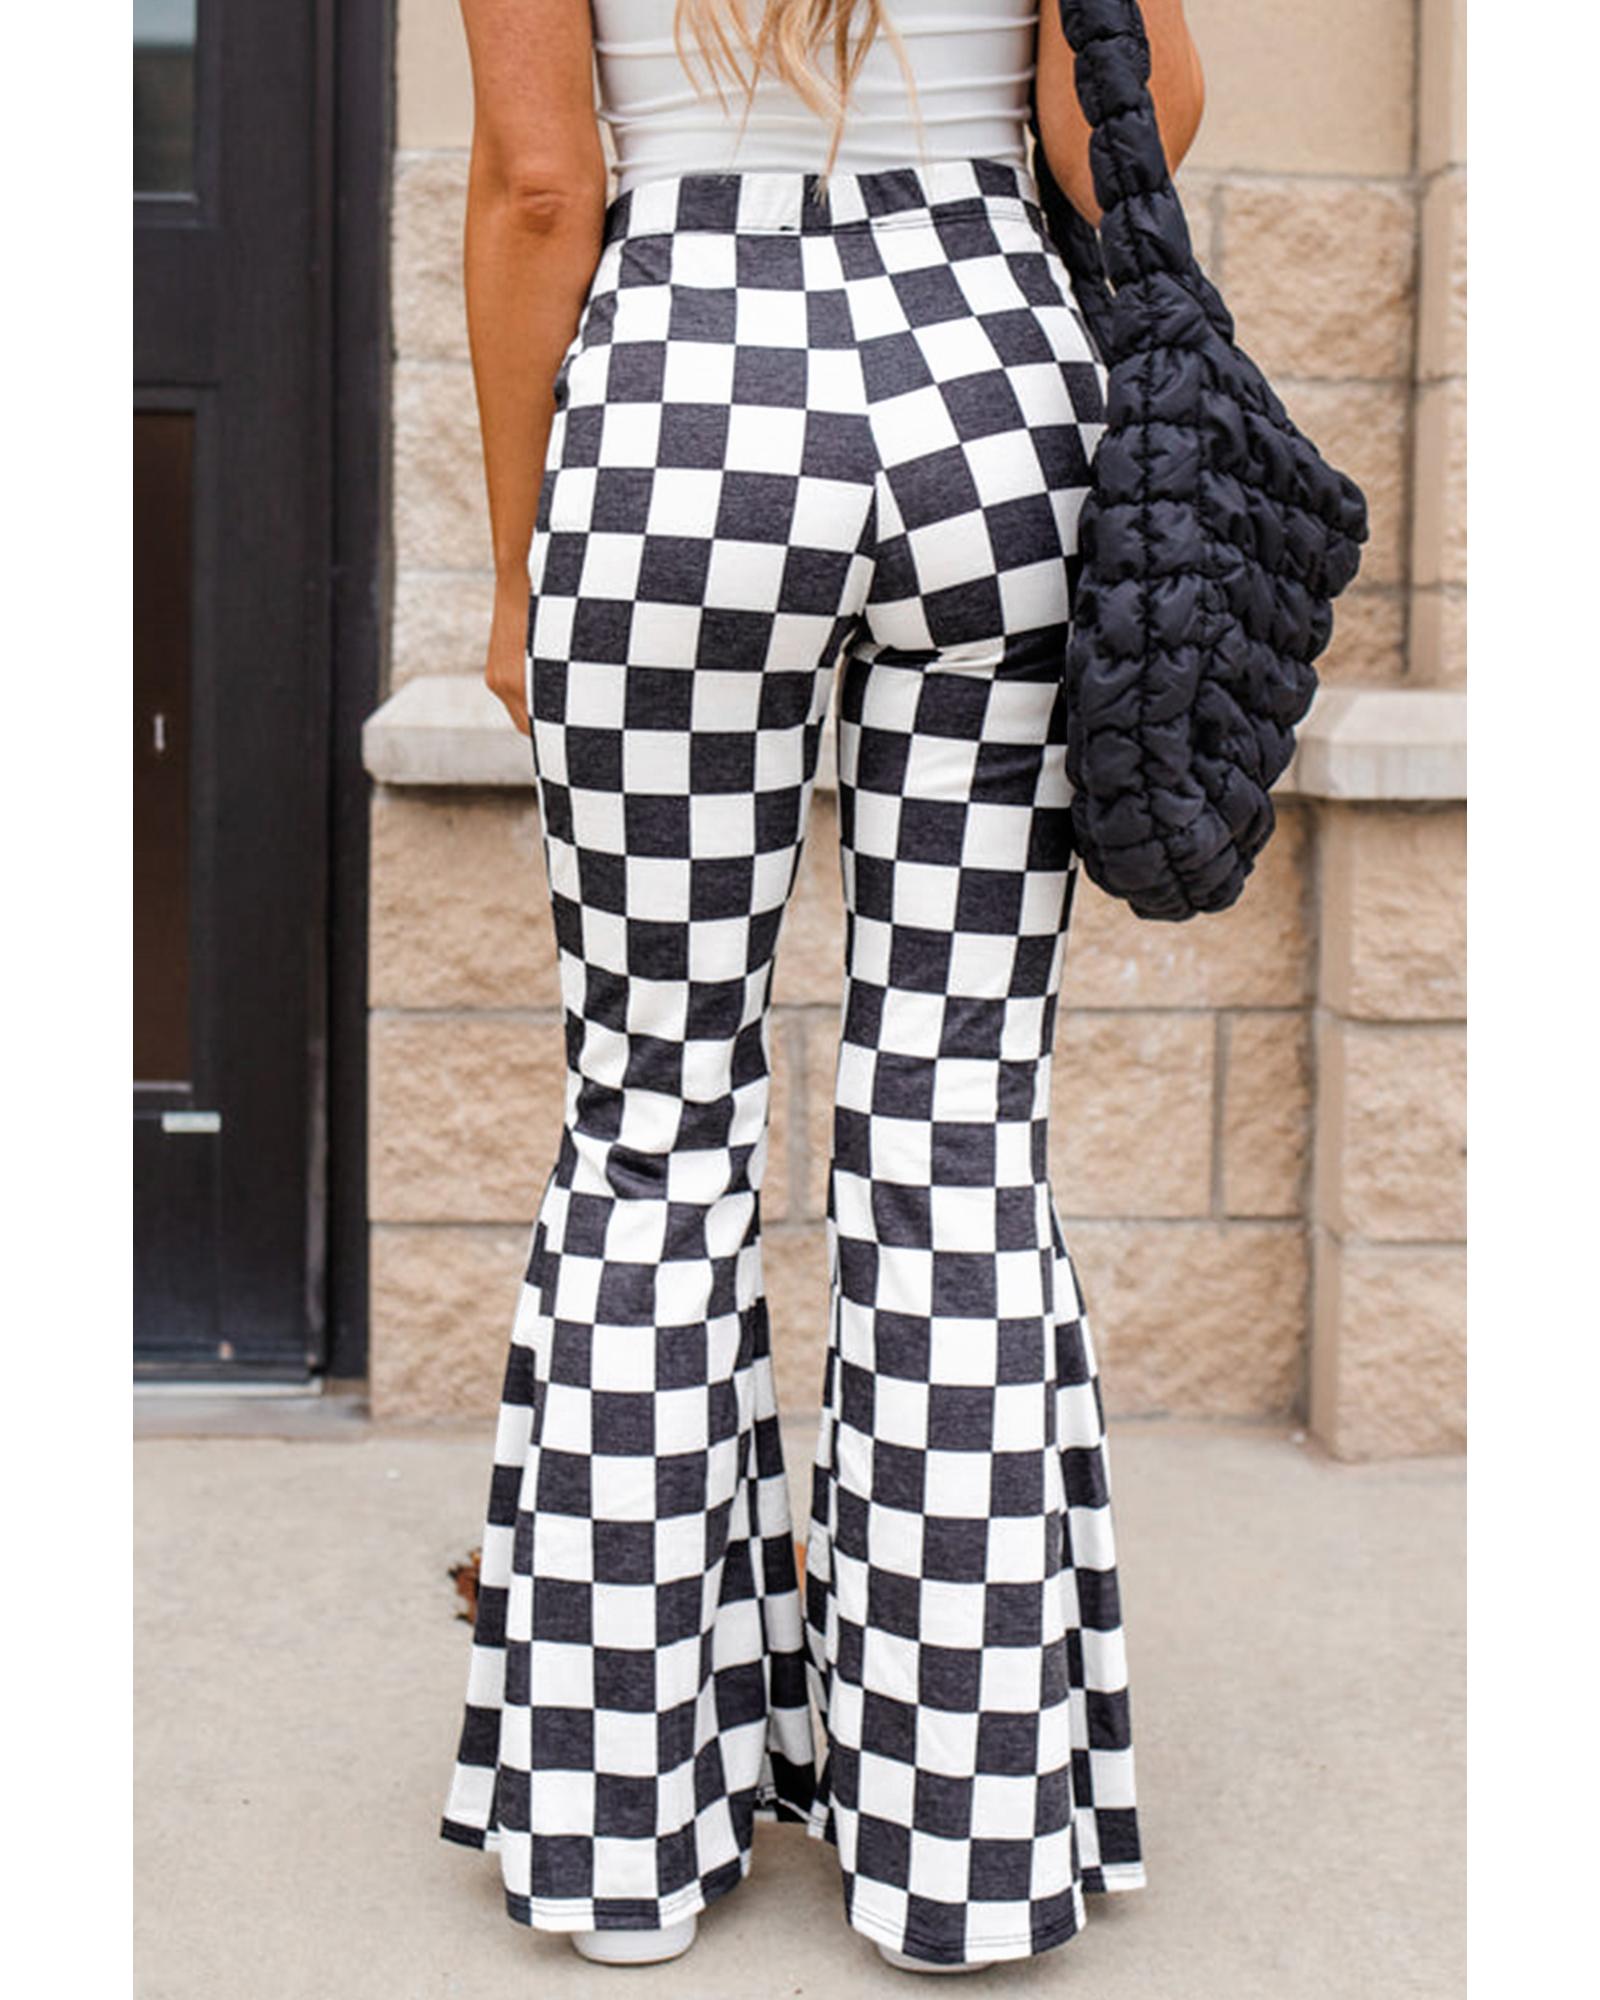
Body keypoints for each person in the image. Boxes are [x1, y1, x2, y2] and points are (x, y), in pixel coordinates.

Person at [439, 0, 1205, 1974]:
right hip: (994, 394)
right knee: (954, 1129)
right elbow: (1131, 119)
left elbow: (542, 189)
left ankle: (616, 1844)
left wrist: (518, 571)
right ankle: (961, 1858)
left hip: (682, 392)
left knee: (653, 1129)